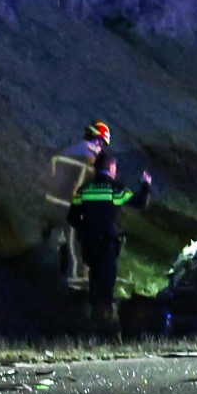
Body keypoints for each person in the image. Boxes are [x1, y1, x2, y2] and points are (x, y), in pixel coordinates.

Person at [68, 149, 151, 327]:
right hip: (107, 244)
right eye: (114, 167)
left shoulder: (84, 189)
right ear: (110, 167)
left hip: (89, 244)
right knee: (105, 283)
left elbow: (72, 217)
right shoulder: (115, 189)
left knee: (94, 280)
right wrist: (145, 184)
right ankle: (104, 323)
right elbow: (140, 203)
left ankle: (91, 321)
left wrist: (86, 230)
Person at [42, 121, 112, 286]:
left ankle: (46, 274)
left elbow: (45, 180)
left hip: (49, 207)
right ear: (98, 141)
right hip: (70, 212)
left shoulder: (61, 154)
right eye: (102, 144)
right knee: (78, 252)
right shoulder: (91, 165)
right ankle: (76, 287)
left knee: (56, 246)